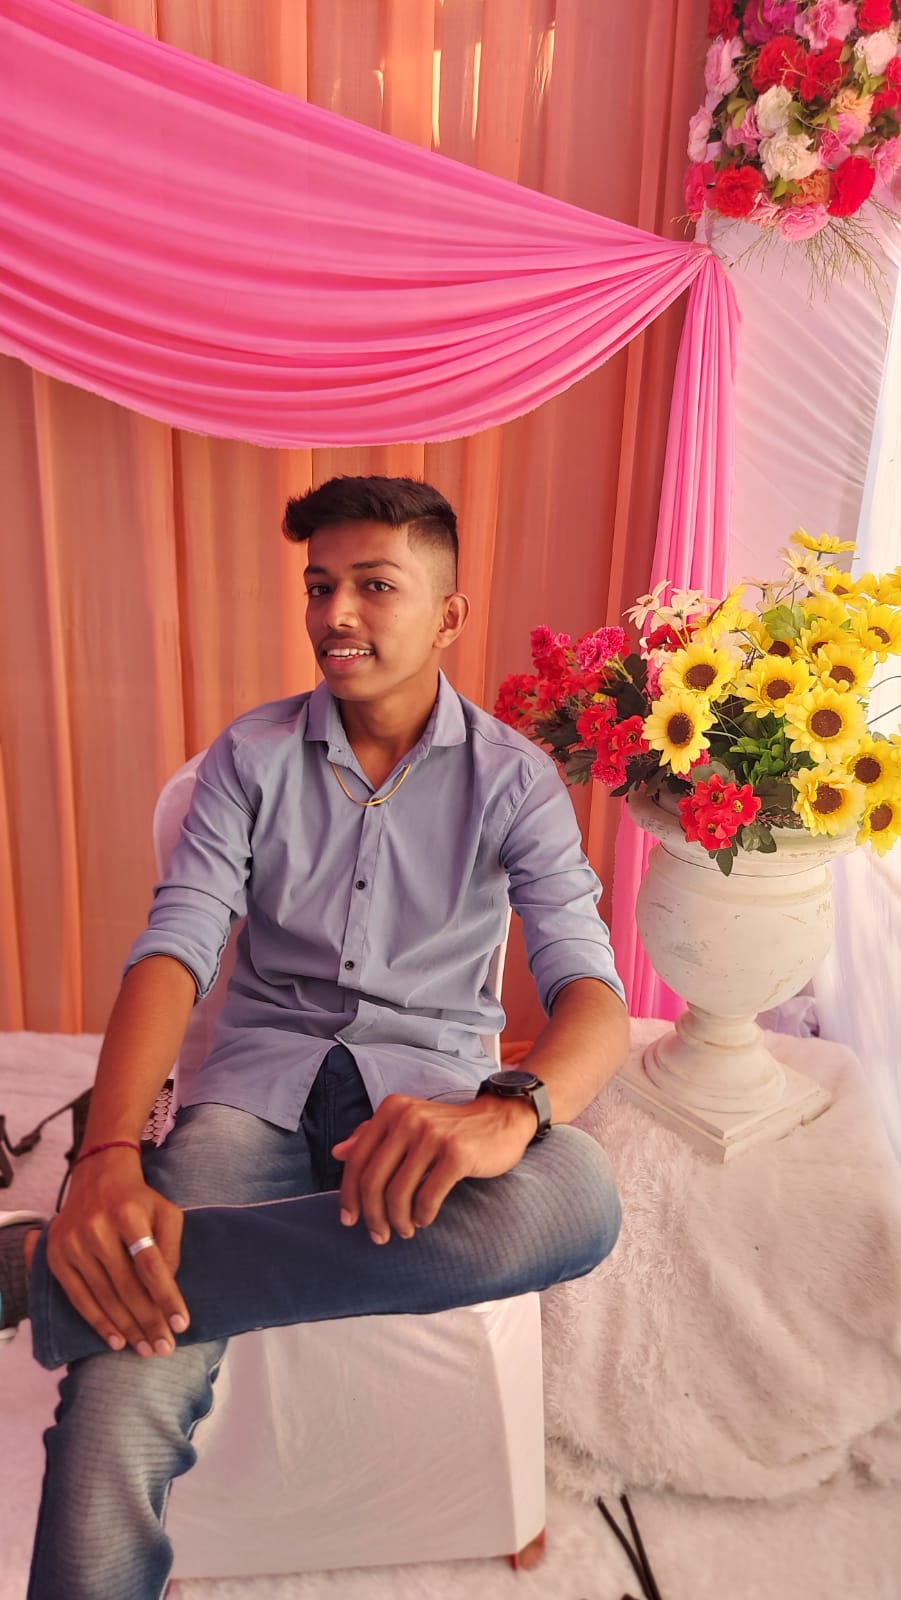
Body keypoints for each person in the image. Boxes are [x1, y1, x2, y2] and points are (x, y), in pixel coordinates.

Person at [1, 475, 629, 1599]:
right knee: (126, 1371)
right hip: (253, 1087)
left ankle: (39, 1272)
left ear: (448, 614)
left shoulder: (515, 781)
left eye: (374, 586)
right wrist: (105, 1156)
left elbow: (591, 990)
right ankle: (106, 1281)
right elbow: (175, 949)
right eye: (319, 585)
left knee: (578, 1197)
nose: (335, 614)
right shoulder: (248, 757)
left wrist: (507, 1111)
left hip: (427, 1096)